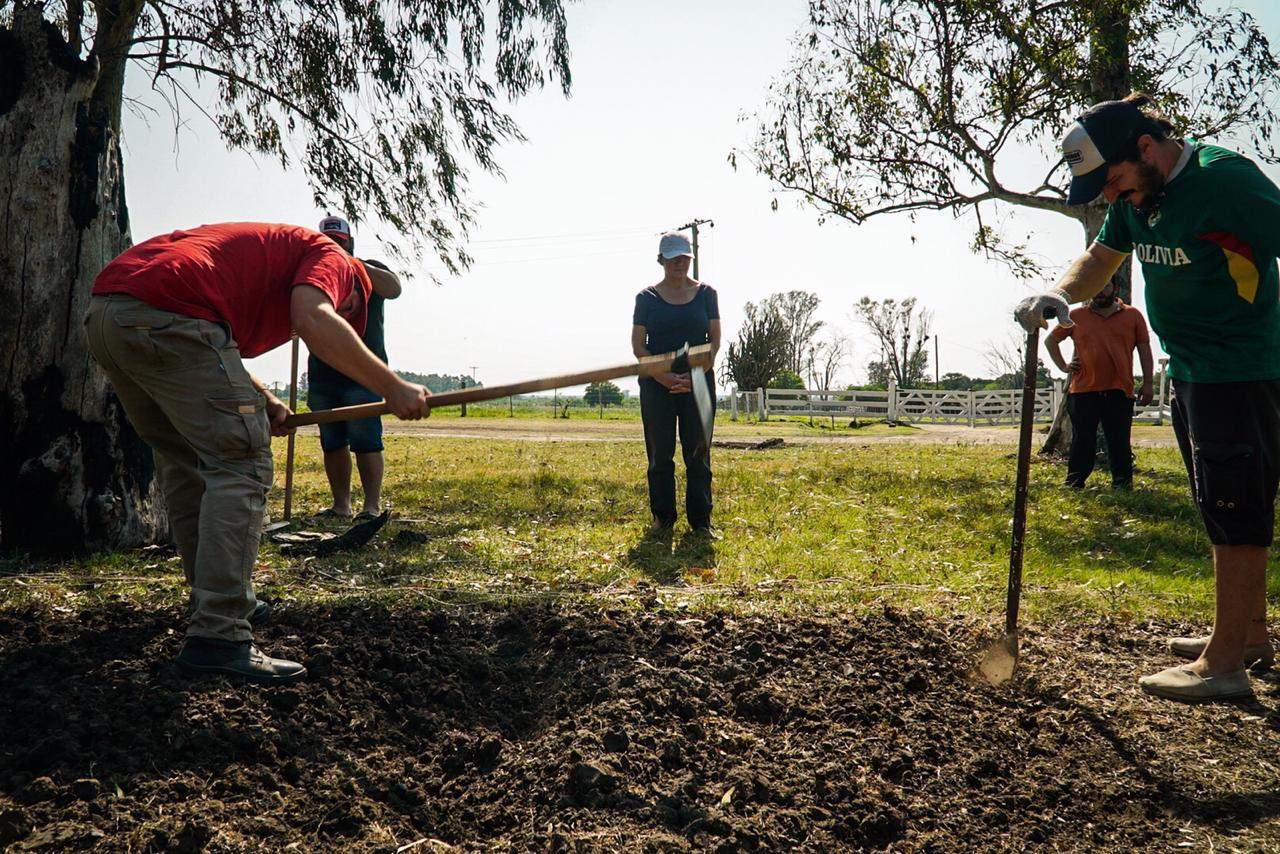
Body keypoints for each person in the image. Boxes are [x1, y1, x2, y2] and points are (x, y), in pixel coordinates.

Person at [1015, 93, 1280, 702]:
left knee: (1237, 511)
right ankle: (1249, 635)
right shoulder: (1136, 200)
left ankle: (1223, 665)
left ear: (1145, 147)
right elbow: (1100, 257)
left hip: (1240, 369)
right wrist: (1059, 294)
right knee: (1221, 505)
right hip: (1190, 370)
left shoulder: (1226, 181)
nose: (1111, 196)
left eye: (1113, 181)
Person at [85, 222, 431, 684]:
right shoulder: (335, 259)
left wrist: (263, 400)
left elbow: (210, 337)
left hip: (109, 315)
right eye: (348, 310)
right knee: (241, 462)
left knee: (189, 462)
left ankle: (213, 600)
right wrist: (392, 386)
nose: (340, 310)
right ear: (353, 287)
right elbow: (312, 317)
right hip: (166, 316)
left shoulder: (269, 255)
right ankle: (220, 634)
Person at [307, 215, 402, 520]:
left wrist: (355, 265)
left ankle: (371, 506)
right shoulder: (314, 274)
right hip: (323, 374)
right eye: (329, 243)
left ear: (351, 243)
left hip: (364, 374)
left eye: (340, 243)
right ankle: (341, 506)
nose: (336, 248)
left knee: (365, 439)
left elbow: (394, 288)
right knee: (332, 441)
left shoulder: (368, 270)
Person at [631, 232, 721, 536]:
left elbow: (714, 343)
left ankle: (701, 521)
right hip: (657, 384)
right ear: (661, 260)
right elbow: (638, 345)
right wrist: (661, 375)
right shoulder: (646, 298)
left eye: (684, 258)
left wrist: (694, 376)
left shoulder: (707, 294)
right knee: (660, 454)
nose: (679, 263)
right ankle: (662, 518)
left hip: (699, 382)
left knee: (699, 453)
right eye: (673, 258)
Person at [1044, 273, 1154, 489]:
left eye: (1105, 286)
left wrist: (1148, 383)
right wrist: (1064, 366)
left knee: (1119, 440)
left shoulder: (1133, 315)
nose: (1100, 292)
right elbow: (1051, 341)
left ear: (1115, 288)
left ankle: (1122, 484)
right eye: (1096, 287)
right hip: (1083, 390)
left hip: (1119, 389)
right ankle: (1075, 482)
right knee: (1082, 439)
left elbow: (1144, 349)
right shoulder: (1075, 315)